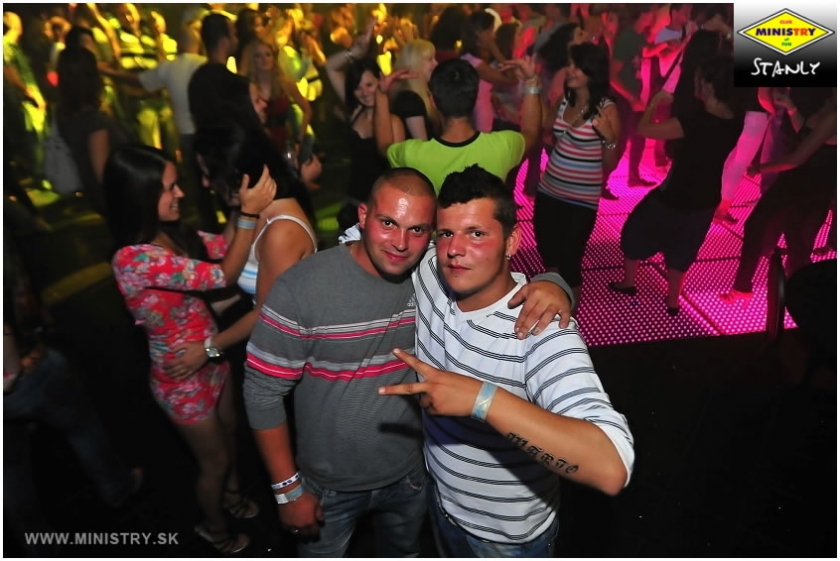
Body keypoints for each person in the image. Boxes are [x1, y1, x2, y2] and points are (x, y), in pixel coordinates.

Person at [243, 167, 574, 558]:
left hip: (412, 476)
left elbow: (494, 268)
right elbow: (262, 392)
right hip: (328, 484)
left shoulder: (431, 272)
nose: (400, 243)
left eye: (417, 230)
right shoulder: (302, 287)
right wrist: (287, 490)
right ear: (363, 216)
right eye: (388, 223)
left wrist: (554, 284)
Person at [379, 165, 635, 557]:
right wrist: (557, 280)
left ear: (512, 240)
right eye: (445, 233)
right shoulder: (430, 270)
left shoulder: (539, 328)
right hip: (442, 504)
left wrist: (482, 400)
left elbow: (611, 466)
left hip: (508, 541)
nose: (455, 249)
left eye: (476, 233)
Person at [105, 144, 276, 554]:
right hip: (181, 378)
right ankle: (213, 529)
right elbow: (223, 274)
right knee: (214, 462)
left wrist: (237, 204)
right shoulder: (133, 259)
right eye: (169, 188)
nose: (179, 193)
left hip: (210, 355)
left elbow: (223, 247)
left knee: (230, 434)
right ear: (141, 196)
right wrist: (249, 213)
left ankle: (232, 497)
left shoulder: (172, 233)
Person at [610, 56, 744, 316]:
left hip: (675, 194)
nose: (694, 82)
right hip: (707, 197)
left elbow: (644, 129)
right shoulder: (735, 120)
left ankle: (629, 282)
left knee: (635, 231)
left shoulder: (693, 121)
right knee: (684, 247)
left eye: (697, 78)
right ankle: (673, 301)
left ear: (708, 85)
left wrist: (654, 102)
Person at [720, 87, 837, 304]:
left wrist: (761, 168)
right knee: (791, 240)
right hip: (801, 182)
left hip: (808, 184)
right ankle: (770, 292)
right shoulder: (829, 105)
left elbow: (796, 159)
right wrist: (791, 109)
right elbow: (807, 133)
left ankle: (791, 298)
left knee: (782, 236)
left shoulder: (834, 115)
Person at [535, 42, 621, 308]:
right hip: (549, 191)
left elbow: (610, 164)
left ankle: (570, 319)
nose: (569, 70)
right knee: (549, 257)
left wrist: (609, 138)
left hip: (581, 201)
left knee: (570, 262)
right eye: (569, 64)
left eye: (576, 66)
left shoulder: (607, 109)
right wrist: (533, 91)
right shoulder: (566, 99)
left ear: (592, 71)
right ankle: (553, 309)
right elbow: (546, 127)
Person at [375, 57, 541, 193]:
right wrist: (531, 82)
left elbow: (383, 146)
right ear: (475, 98)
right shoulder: (503, 146)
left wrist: (381, 94)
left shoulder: (414, 154)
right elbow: (531, 133)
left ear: (433, 101)